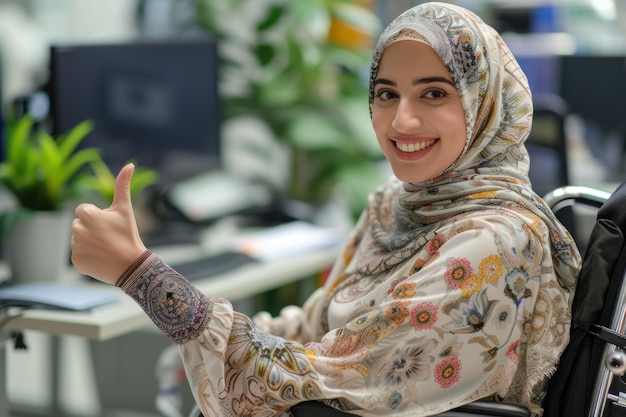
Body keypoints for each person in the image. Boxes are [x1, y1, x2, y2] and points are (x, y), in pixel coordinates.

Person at [70, 2, 582, 416]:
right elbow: (319, 331)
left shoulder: (493, 243)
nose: (401, 121)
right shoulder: (394, 205)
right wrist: (203, 335)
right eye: (386, 93)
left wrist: (143, 277)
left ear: (484, 105)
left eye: (433, 93)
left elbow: (331, 385)